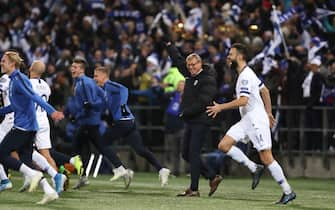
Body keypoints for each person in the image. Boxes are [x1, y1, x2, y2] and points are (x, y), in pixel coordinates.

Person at [206, 43, 296, 204]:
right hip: (248, 119)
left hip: (255, 120)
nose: (228, 57)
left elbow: (243, 100)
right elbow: (265, 91)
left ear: (240, 56)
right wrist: (268, 112)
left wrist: (221, 107)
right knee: (224, 145)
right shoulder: (246, 73)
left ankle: (288, 191)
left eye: (231, 54)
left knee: (266, 157)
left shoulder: (246, 75)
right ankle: (254, 168)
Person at [0, 50, 64, 203]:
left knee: (2, 153)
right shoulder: (13, 80)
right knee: (26, 161)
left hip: (24, 127)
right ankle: (49, 191)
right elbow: (15, 106)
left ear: (12, 64)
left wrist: (52, 111)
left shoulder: (19, 79)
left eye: (3, 60)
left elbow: (34, 96)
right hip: (28, 127)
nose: (1, 63)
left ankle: (32, 175)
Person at [93, 66, 171, 187]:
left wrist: (123, 104)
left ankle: (120, 169)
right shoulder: (106, 91)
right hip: (129, 122)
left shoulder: (110, 85)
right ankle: (161, 169)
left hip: (123, 122)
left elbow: (124, 89)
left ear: (104, 76)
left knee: (103, 143)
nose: (94, 78)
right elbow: (103, 105)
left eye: (96, 76)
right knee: (140, 150)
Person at [165, 42, 222, 197]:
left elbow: (203, 102)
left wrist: (185, 113)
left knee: (194, 153)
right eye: (189, 65)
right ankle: (212, 176)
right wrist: (170, 46)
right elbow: (177, 60)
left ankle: (194, 189)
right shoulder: (190, 74)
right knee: (186, 154)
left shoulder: (208, 79)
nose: (190, 67)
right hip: (191, 119)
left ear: (200, 63)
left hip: (201, 119)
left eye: (194, 65)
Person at [69, 57, 132, 189]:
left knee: (78, 149)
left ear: (81, 69)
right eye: (72, 67)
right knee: (93, 148)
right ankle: (120, 170)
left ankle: (119, 170)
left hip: (88, 122)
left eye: (75, 67)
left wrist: (78, 115)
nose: (72, 69)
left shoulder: (84, 82)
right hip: (89, 121)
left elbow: (90, 103)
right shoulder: (85, 82)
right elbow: (104, 97)